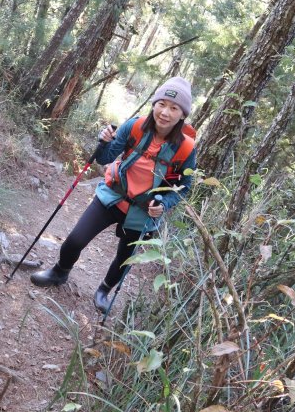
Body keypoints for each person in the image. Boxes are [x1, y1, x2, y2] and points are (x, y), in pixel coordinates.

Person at [29, 76, 198, 313]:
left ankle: (104, 290)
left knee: (124, 259)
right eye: (161, 104)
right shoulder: (135, 127)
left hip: (143, 211)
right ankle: (60, 271)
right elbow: (105, 158)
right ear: (154, 104)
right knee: (74, 240)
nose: (165, 112)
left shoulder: (186, 148)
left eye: (174, 108)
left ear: (182, 115)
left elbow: (184, 186)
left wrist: (165, 204)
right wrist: (103, 142)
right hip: (112, 196)